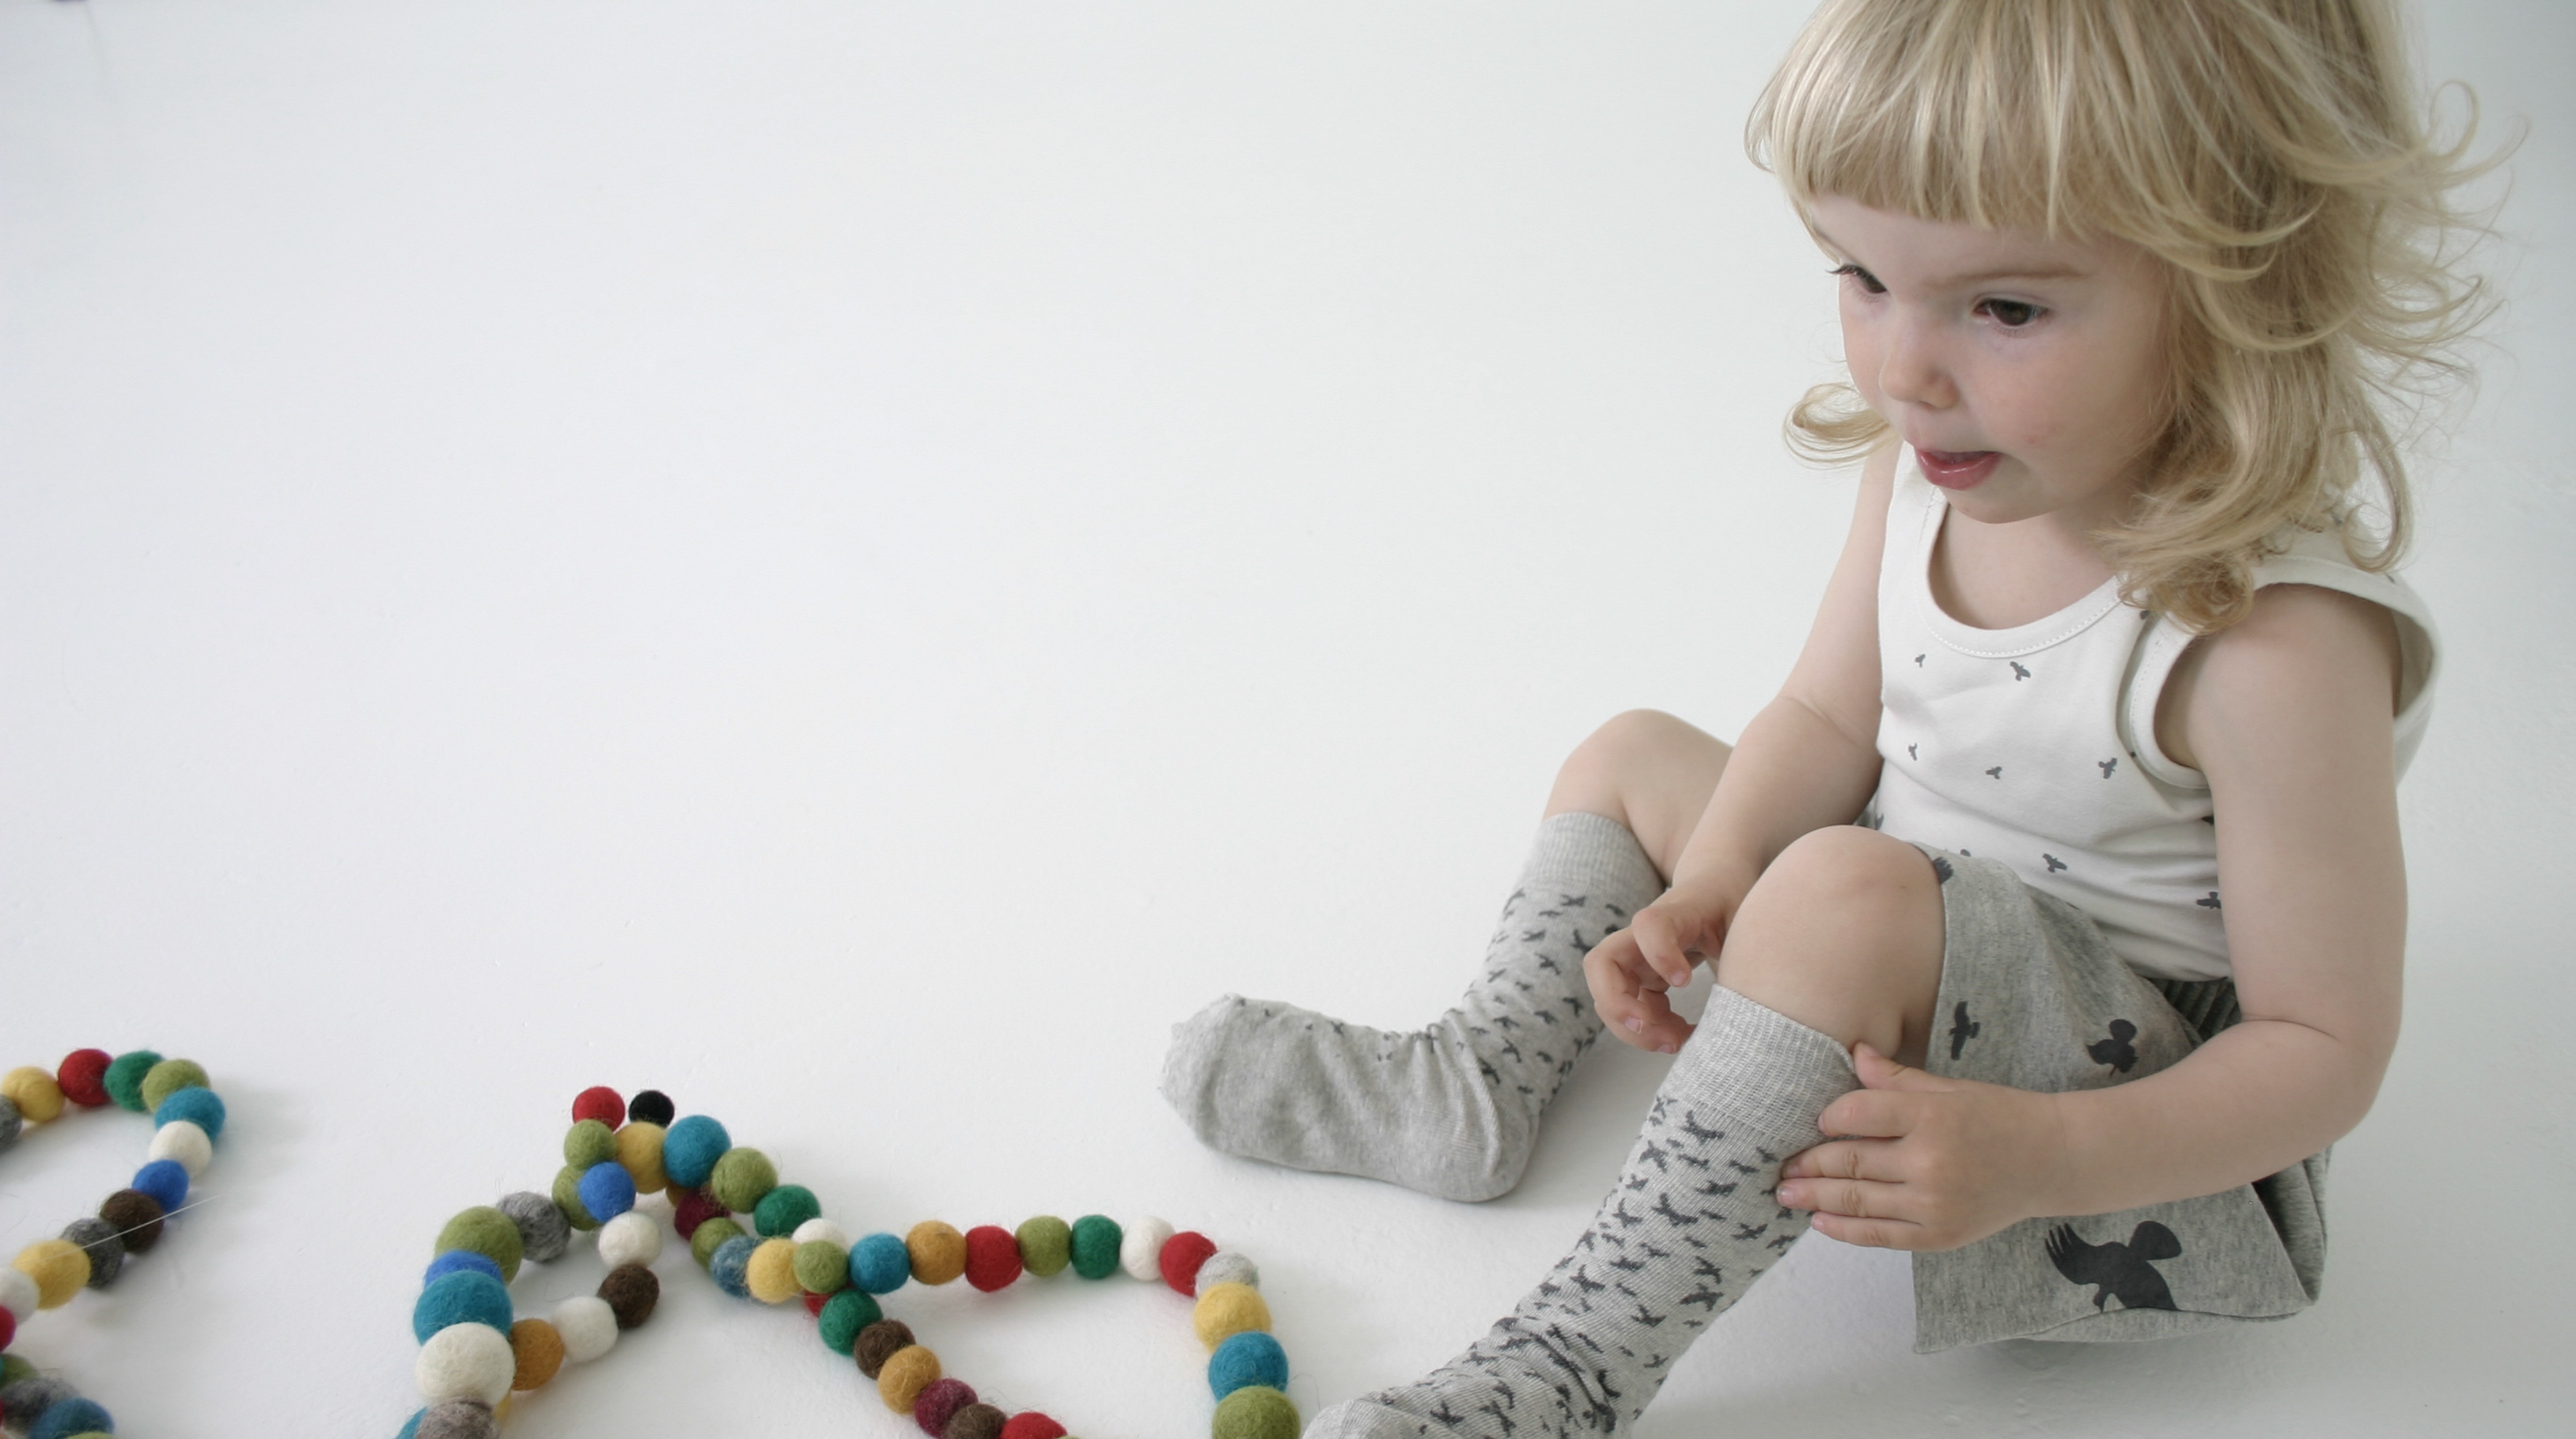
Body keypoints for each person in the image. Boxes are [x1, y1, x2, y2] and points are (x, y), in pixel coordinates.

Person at [1157, 1, 2501, 1434]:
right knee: (1636, 754)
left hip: (2108, 1143)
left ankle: (1573, 1365)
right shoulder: (1928, 466)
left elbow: (2321, 1051)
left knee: (1838, 892)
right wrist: (1716, 877)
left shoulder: (2273, 642)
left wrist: (2038, 1156)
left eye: (2004, 309)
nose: (1902, 370)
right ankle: (1475, 1083)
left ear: (2247, 288)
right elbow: (1820, 712)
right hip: (1895, 925)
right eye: (1862, 277)